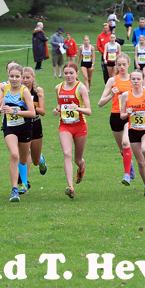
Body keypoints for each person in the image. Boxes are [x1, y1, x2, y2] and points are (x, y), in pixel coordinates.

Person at [0, 63, 36, 202]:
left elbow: (33, 113)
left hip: (24, 127)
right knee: (14, 154)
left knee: (23, 160)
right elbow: (5, 102)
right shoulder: (4, 87)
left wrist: (15, 111)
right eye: (11, 76)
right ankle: (14, 190)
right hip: (10, 127)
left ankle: (33, 157)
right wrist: (0, 110)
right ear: (8, 76)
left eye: (17, 76)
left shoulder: (24, 91)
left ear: (21, 77)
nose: (14, 79)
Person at [119, 69, 145, 196]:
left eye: (139, 79)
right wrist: (127, 113)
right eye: (134, 79)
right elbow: (122, 116)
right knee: (139, 162)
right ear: (130, 80)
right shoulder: (126, 95)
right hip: (133, 131)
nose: (136, 81)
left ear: (143, 80)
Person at [52, 62, 91, 199]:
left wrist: (78, 108)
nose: (68, 76)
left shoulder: (81, 88)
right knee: (67, 154)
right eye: (66, 73)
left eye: (71, 73)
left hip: (80, 126)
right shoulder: (59, 87)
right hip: (65, 125)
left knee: (77, 159)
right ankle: (70, 187)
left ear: (76, 74)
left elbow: (89, 111)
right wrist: (57, 110)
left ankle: (81, 166)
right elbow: (60, 104)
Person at [97, 53, 134, 185]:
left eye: (124, 64)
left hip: (130, 116)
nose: (122, 67)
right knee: (122, 149)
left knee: (126, 143)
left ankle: (126, 175)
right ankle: (130, 165)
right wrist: (112, 95)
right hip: (115, 116)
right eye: (119, 64)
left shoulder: (133, 79)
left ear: (129, 64)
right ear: (116, 66)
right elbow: (100, 103)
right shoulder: (112, 81)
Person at [22, 67, 47, 186]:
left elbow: (43, 112)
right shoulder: (18, 91)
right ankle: (24, 182)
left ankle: (41, 159)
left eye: (28, 77)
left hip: (35, 124)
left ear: (33, 78)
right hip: (22, 125)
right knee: (24, 153)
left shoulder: (38, 91)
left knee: (35, 161)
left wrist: (32, 106)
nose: (25, 80)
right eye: (23, 77)